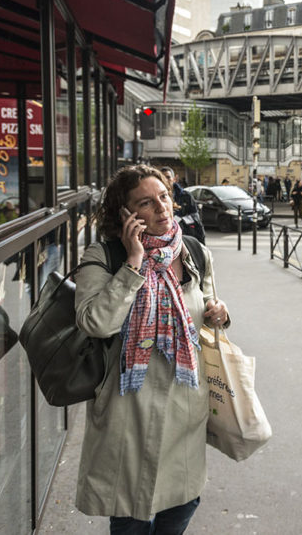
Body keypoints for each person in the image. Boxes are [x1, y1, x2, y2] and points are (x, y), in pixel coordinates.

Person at [74, 164, 229, 533]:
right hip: (129, 412)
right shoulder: (104, 257)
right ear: (125, 214)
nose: (162, 208)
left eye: (163, 197)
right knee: (131, 514)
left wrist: (220, 314)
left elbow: (207, 310)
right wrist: (133, 263)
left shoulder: (193, 252)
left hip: (184, 409)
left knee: (183, 504)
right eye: (146, 202)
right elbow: (96, 322)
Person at [160, 166, 205, 244]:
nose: (166, 180)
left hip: (184, 237)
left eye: (168, 177)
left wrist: (179, 219)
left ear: (174, 179)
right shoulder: (155, 198)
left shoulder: (186, 196)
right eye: (162, 178)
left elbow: (195, 217)